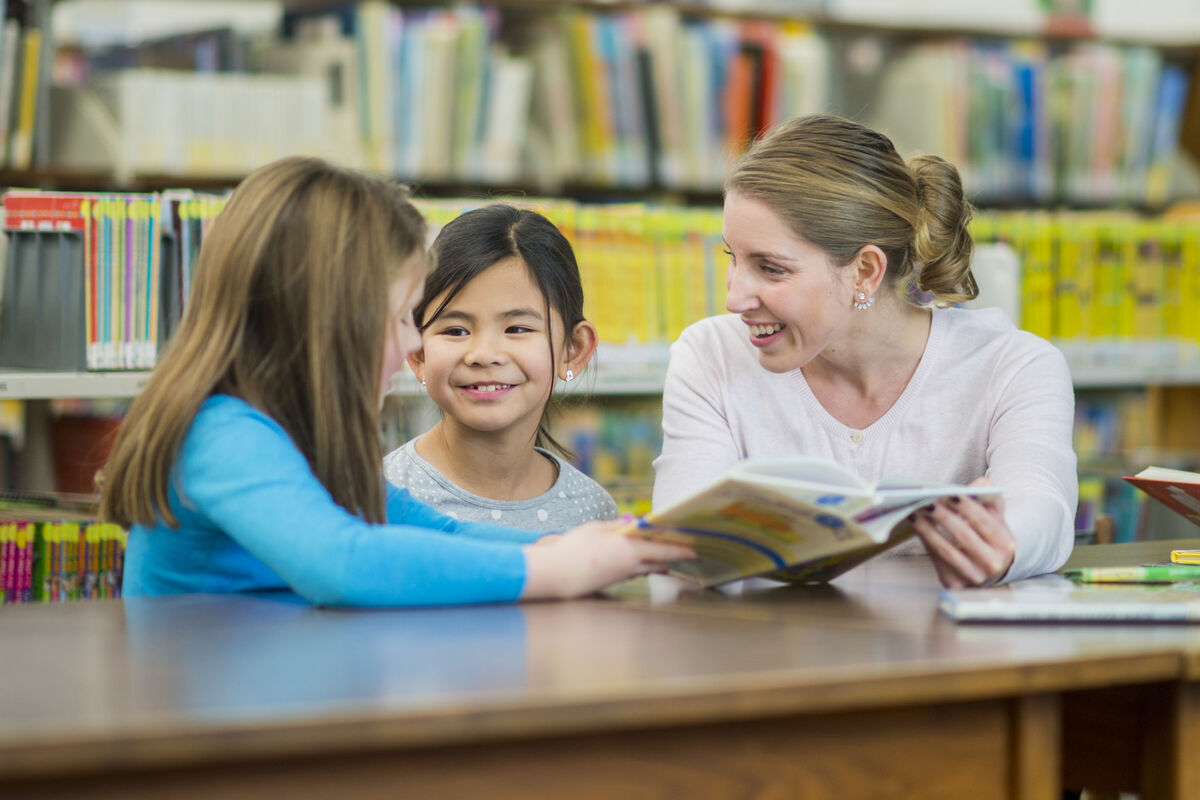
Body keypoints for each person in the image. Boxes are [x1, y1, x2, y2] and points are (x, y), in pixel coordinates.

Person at [100, 157, 691, 606]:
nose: (414, 344)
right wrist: (558, 569)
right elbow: (342, 562)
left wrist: (587, 547)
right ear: (331, 321)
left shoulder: (301, 441)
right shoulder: (221, 435)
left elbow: (435, 530)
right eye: (402, 318)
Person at [653, 114, 1077, 588]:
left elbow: (1044, 507)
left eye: (770, 268)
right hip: (766, 652)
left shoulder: (1014, 367)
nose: (734, 299)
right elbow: (680, 543)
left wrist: (1003, 542)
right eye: (733, 258)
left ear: (866, 272)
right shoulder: (710, 355)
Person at [384, 204, 618, 531]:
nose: (484, 354)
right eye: (456, 331)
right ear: (418, 354)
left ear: (573, 350)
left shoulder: (594, 514)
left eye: (517, 329)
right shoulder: (377, 497)